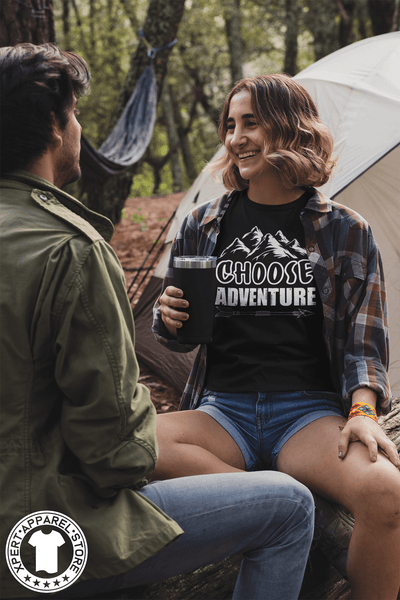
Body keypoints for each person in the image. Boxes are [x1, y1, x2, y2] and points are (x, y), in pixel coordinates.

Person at [0, 45, 315, 600]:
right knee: (290, 504)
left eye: (252, 124)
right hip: (40, 536)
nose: (78, 128)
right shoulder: (67, 250)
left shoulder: (337, 229)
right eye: (75, 115)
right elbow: (116, 452)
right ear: (54, 125)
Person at [152, 74, 400, 600]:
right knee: (132, 446)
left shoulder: (344, 229)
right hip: (223, 412)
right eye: (230, 125)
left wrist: (362, 413)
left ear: (290, 128)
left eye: (252, 123)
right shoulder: (204, 223)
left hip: (306, 415)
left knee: (387, 494)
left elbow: (364, 339)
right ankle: (282, 506)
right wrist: (167, 317)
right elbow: (176, 338)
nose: (235, 137)